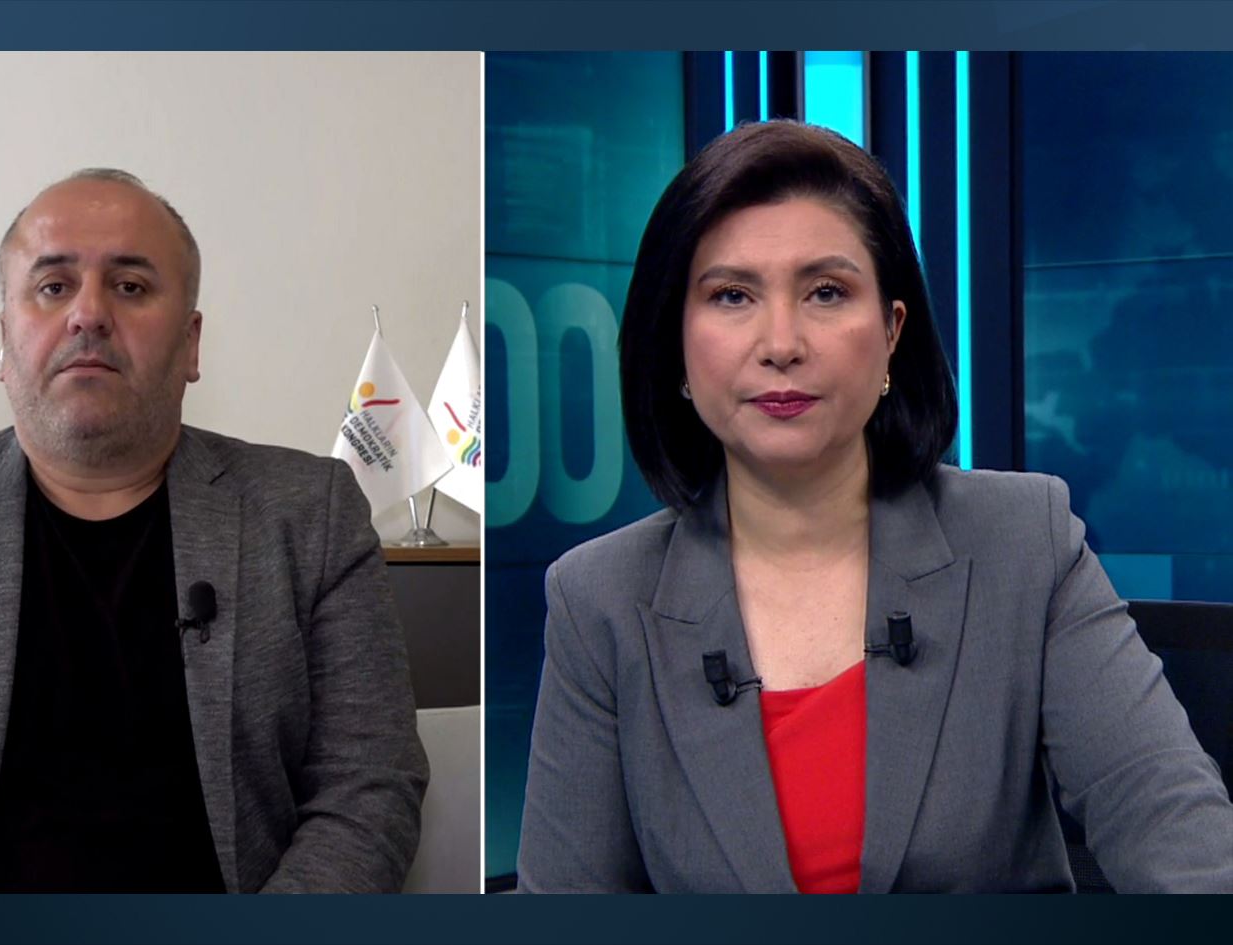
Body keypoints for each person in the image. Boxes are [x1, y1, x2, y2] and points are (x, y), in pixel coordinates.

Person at [515, 121, 1233, 893]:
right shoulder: (601, 600)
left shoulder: (1026, 542)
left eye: (826, 292)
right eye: (732, 295)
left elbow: (1178, 834)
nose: (781, 342)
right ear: (677, 343)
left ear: (892, 332)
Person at [0, 169, 428, 893]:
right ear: (4, 341)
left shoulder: (311, 514)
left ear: (192, 344)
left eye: (131, 286)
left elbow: (368, 788)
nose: (88, 313)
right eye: (54, 286)